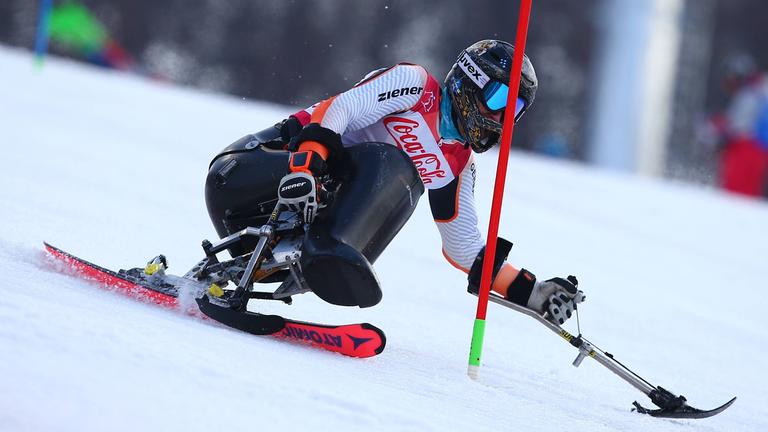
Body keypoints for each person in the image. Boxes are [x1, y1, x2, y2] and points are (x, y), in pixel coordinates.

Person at [205, 40, 584, 325]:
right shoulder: (415, 86)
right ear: (471, 80)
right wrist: (307, 165)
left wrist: (531, 292)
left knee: (408, 188)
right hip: (252, 171)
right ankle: (331, 252)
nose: (502, 117)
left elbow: (464, 248)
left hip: (300, 228)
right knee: (394, 164)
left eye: (515, 109)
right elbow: (341, 109)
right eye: (500, 97)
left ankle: (323, 258)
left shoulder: (458, 165)